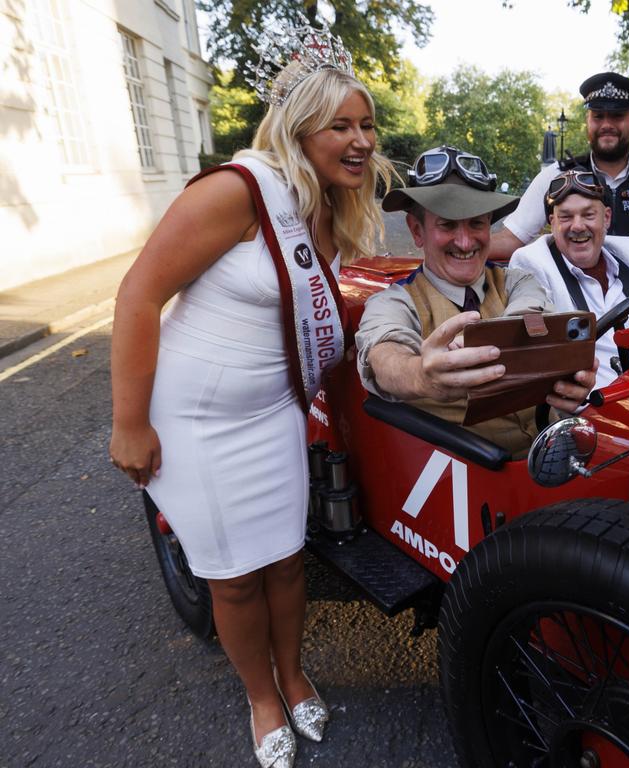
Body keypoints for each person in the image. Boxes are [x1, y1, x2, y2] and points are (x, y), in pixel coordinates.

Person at [108, 26, 389, 768]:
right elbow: (138, 296)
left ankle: (294, 675)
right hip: (195, 426)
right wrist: (129, 424)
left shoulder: (330, 206)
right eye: (341, 126)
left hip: (272, 416)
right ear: (298, 130)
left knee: (288, 562)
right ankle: (260, 696)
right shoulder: (236, 192)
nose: (360, 140)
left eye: (366, 124)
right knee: (232, 582)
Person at [355, 146, 596, 456]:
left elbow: (530, 312)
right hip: (462, 477)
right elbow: (384, 355)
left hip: (552, 457)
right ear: (417, 231)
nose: (466, 242)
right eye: (447, 224)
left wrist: (570, 378)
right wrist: (420, 375)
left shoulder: (517, 280)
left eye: (477, 223)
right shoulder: (393, 302)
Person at [490, 72, 629, 272]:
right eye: (598, 116)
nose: (606, 125)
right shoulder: (556, 176)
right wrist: (463, 248)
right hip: (572, 301)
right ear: (588, 120)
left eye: (617, 116)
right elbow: (512, 239)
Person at [509, 169, 629, 390]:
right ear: (552, 223)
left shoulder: (627, 250)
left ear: (606, 218)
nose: (577, 226)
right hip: (596, 406)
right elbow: (540, 349)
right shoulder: (531, 262)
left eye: (588, 215)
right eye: (565, 217)